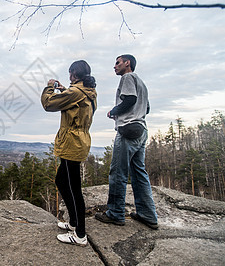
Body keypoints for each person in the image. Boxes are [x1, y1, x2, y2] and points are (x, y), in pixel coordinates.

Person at [95, 54, 158, 230]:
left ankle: (115, 214)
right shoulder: (142, 83)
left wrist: (113, 111)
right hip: (142, 130)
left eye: (117, 63)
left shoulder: (128, 77)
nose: (115, 66)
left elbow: (130, 99)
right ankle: (148, 215)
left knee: (118, 173)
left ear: (127, 63)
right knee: (139, 173)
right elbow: (147, 108)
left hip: (128, 130)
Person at [41, 60, 97, 246]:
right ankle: (73, 222)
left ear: (75, 74)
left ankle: (80, 234)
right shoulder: (88, 91)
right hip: (77, 141)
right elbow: (75, 100)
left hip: (72, 143)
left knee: (74, 189)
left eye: (70, 73)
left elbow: (48, 104)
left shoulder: (75, 93)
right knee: (61, 181)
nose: (69, 76)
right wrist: (66, 89)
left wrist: (50, 87)